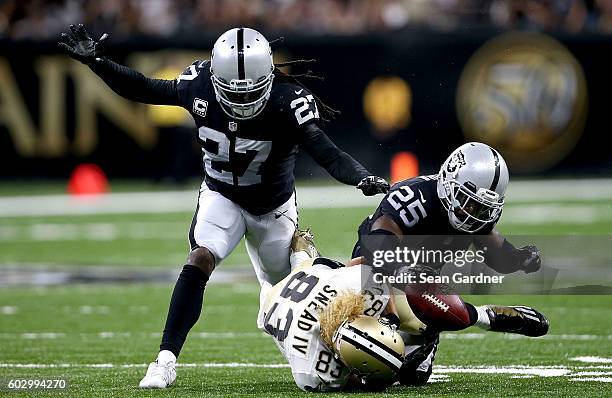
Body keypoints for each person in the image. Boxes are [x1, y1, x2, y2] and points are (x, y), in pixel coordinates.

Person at [58, 24, 390, 389]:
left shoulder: (288, 100)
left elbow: (326, 151)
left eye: (252, 94)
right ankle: (165, 359)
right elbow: (144, 88)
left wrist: (361, 177)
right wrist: (99, 64)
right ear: (217, 79)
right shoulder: (198, 83)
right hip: (222, 197)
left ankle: (338, 320)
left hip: (274, 209)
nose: (244, 103)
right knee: (200, 257)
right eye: (235, 94)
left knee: (291, 300)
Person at [352, 141, 548, 385]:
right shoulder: (415, 197)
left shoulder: (475, 218)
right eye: (470, 203)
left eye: (483, 209)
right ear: (449, 183)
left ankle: (445, 324)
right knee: (364, 363)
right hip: (375, 277)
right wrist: (404, 272)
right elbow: (376, 244)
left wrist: (520, 258)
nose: (473, 214)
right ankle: (490, 317)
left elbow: (497, 254)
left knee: (412, 375)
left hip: (423, 293)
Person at [262, 229, 549, 391]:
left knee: (418, 311)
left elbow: (369, 264)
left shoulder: (355, 290)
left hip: (316, 280)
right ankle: (303, 249)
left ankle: (481, 316)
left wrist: (394, 316)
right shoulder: (311, 371)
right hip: (277, 301)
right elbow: (357, 382)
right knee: (410, 375)